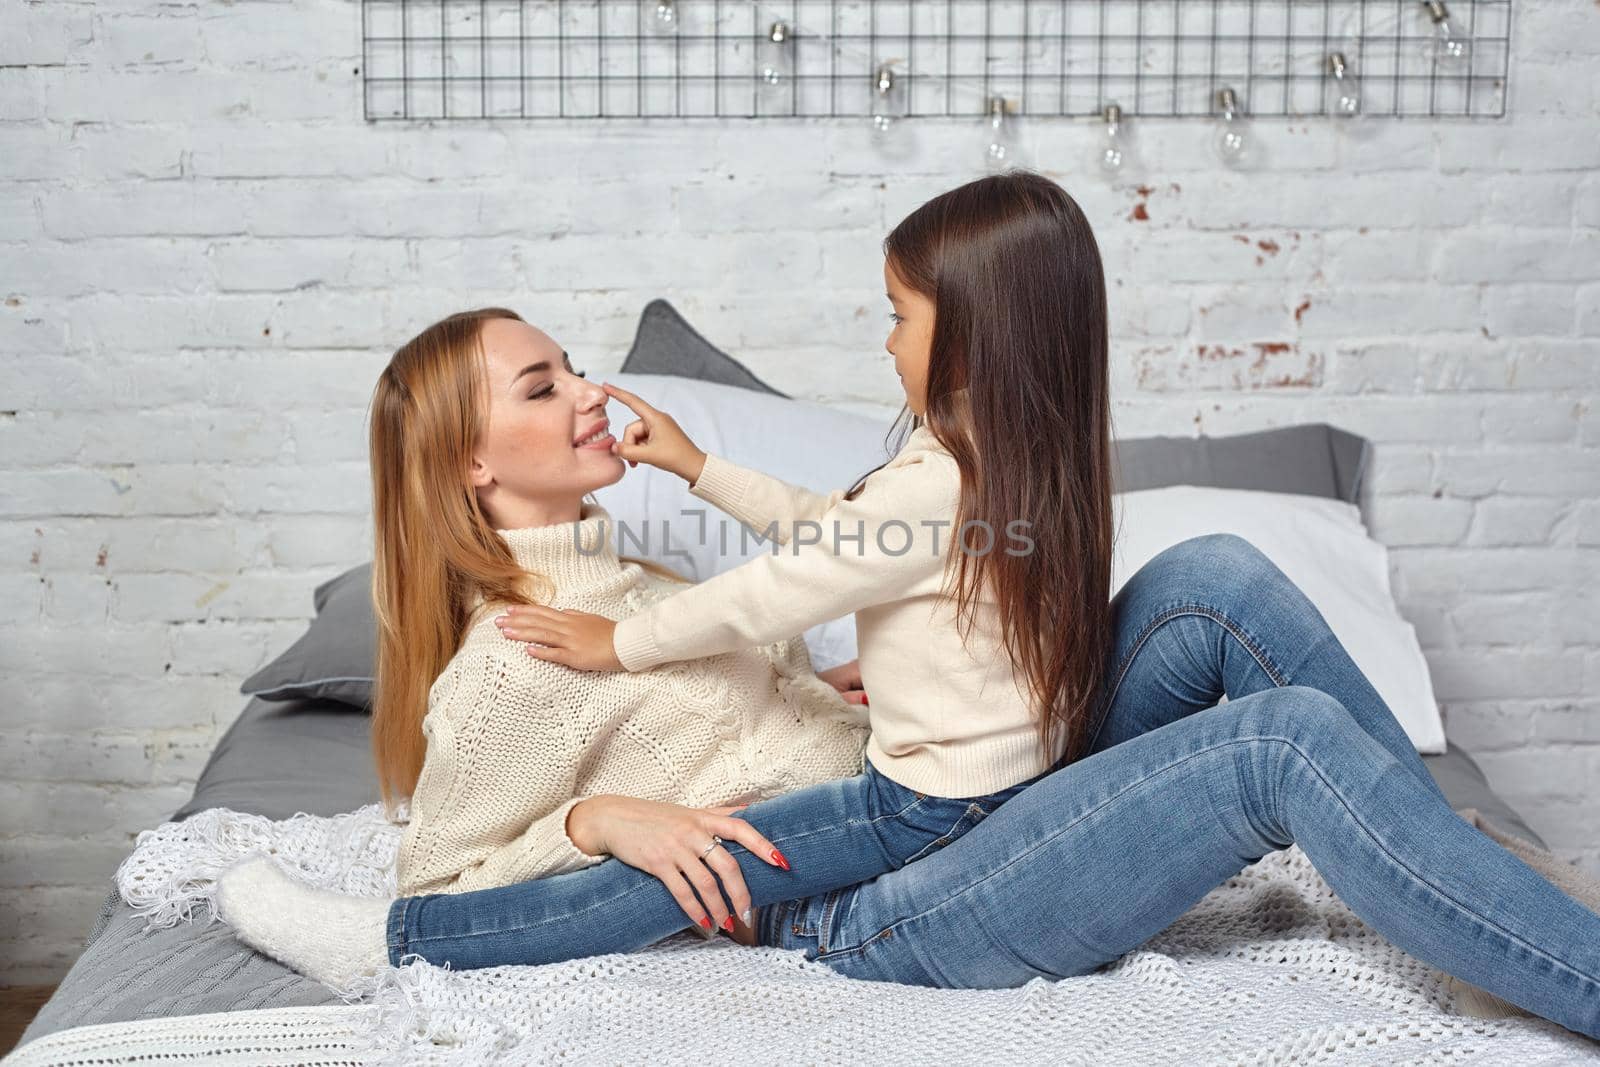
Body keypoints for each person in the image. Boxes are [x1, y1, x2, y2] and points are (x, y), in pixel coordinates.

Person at [220, 171, 1600, 1041]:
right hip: (904, 896)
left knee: (1213, 583)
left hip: (956, 793)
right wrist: (597, 819)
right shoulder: (526, 656)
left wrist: (827, 681)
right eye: (541, 387)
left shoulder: (638, 576)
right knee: (1279, 741)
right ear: (466, 465)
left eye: (572, 362)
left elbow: (796, 611)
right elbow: (450, 878)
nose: (587, 390)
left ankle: (1445, 862)